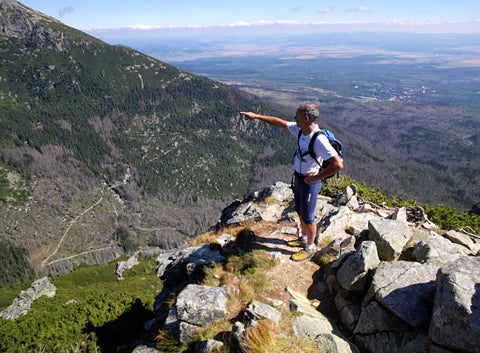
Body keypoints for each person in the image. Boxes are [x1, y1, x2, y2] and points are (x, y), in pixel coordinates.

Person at [241, 103, 343, 261]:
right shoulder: (301, 130)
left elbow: (338, 164)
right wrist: (256, 116)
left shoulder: (318, 139)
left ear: (306, 118)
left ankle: (310, 247)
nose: (294, 118)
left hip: (310, 182)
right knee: (300, 212)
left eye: (297, 116)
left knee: (308, 217)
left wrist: (316, 178)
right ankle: (303, 238)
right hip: (299, 179)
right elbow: (279, 122)